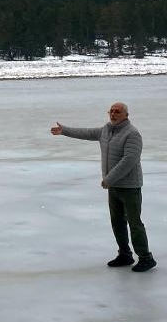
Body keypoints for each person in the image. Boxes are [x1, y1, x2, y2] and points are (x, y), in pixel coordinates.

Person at [50, 102, 156, 272]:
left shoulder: (132, 134)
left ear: (126, 115)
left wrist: (109, 179)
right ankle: (125, 254)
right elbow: (86, 133)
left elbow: (129, 160)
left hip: (129, 187)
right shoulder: (105, 130)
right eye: (111, 111)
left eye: (118, 112)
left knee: (134, 223)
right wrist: (65, 131)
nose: (113, 114)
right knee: (117, 222)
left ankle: (145, 258)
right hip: (114, 187)